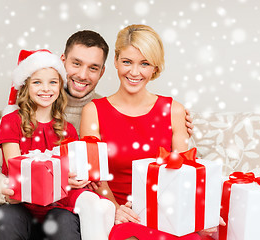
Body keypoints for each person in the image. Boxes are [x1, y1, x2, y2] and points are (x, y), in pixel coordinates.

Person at [0, 30, 194, 239]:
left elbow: (176, 159)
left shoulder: (98, 110)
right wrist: (8, 190)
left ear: (103, 71)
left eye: (93, 68)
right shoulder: (20, 113)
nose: (82, 75)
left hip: (65, 210)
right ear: (62, 61)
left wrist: (183, 129)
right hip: (21, 206)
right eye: (76, 63)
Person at [80, 24, 223, 240]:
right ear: (116, 62)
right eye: (127, 62)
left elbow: (183, 177)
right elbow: (96, 178)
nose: (134, 72)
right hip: (124, 216)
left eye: (144, 64)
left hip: (168, 217)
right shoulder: (93, 111)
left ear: (154, 68)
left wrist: (198, 217)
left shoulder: (174, 110)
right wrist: (116, 208)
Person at [0, 49, 115, 239]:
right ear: (25, 86)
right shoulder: (11, 122)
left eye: (53, 82)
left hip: (56, 208)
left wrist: (79, 179)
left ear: (60, 86)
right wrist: (62, 179)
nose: (46, 89)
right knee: (6, 217)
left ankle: (93, 207)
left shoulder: (67, 130)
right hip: (21, 206)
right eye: (37, 82)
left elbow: (70, 175)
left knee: (65, 220)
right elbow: (20, 171)